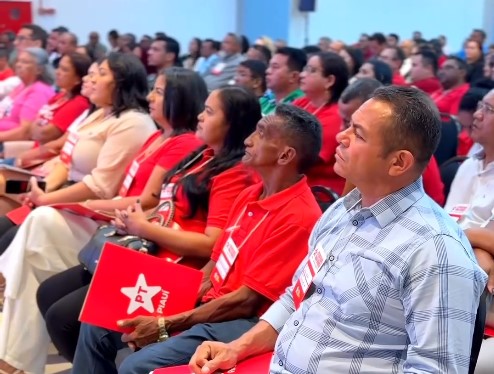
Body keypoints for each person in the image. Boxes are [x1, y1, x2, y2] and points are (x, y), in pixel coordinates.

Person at [189, 85, 487, 374]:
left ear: (398, 162)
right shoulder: (341, 211)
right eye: (348, 126)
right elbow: (296, 295)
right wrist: (238, 348)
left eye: (357, 134)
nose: (340, 138)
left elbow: (436, 369)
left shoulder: (435, 250)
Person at [71, 103, 323, 374]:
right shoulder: (250, 194)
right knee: (98, 319)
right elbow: (212, 269)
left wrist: (167, 324)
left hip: (245, 321)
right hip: (212, 303)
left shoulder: (299, 217)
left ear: (285, 155)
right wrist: (168, 305)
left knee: (137, 366)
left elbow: (246, 301)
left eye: (261, 134)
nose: (248, 140)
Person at [31, 67, 207, 366]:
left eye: (160, 92)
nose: (150, 96)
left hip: (149, 241)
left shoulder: (187, 144)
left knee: (65, 316)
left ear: (182, 98)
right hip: (130, 227)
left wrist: (95, 204)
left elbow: (153, 200)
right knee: (49, 293)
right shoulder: (158, 136)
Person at [0, 53, 157, 373]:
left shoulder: (133, 122)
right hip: (69, 204)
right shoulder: (95, 114)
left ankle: (15, 349)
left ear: (122, 81)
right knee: (30, 254)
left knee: (37, 224)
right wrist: (45, 195)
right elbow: (64, 160)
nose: (91, 78)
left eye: (100, 73)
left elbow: (101, 186)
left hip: (98, 219)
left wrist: (48, 201)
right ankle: (14, 357)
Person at [338, 79, 445, 205]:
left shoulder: (416, 157)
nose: (341, 131)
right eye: (348, 123)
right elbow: (344, 204)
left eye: (357, 130)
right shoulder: (357, 149)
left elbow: (436, 200)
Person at [293, 51, 348, 193]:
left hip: (319, 192)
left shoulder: (336, 115)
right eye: (305, 69)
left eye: (312, 71)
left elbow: (305, 159)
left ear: (329, 80)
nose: (303, 75)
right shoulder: (301, 102)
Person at [445, 88, 494, 229]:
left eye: (489, 110)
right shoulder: (468, 165)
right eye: (480, 106)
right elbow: (447, 219)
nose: (477, 114)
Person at [0, 47, 55, 139]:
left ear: (39, 69)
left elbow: (25, 132)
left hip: (8, 143)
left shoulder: (39, 91)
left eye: (25, 62)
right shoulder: (21, 85)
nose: (18, 65)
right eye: (19, 61)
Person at [260, 47, 306, 116]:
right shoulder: (266, 100)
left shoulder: (303, 106)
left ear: (294, 76)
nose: (267, 71)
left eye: (275, 67)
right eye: (269, 66)